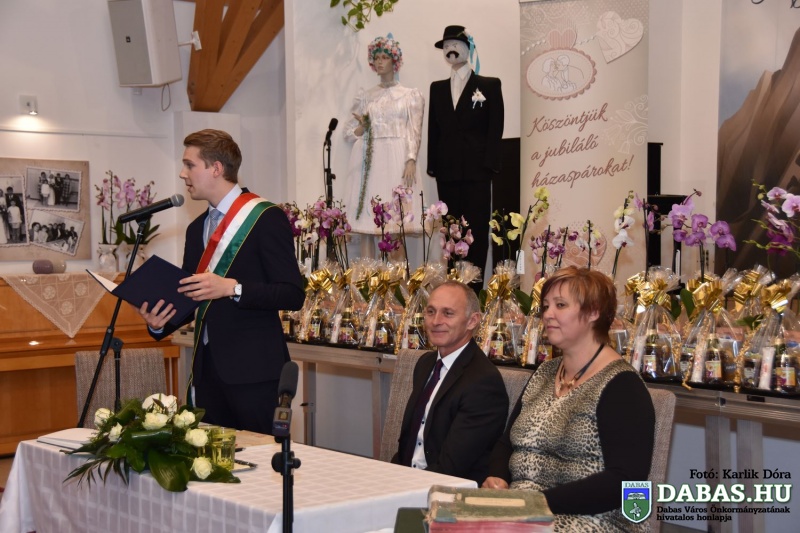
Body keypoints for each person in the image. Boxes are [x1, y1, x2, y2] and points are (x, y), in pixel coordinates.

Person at [139, 129, 305, 434]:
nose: (182, 173)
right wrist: (161, 322)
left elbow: (293, 294)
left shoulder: (265, 217)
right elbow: (192, 296)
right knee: (211, 459)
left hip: (254, 372)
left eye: (190, 165)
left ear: (216, 168)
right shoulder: (196, 229)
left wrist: (233, 288)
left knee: (260, 458)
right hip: (207, 372)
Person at [483, 267, 655, 531]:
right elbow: (507, 443)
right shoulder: (545, 372)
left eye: (560, 305)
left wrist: (535, 503)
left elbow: (625, 480)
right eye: (546, 306)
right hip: (523, 511)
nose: (547, 314)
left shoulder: (622, 385)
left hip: (593, 520)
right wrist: (497, 477)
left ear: (594, 311)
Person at [391, 280, 508, 485]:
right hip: (406, 479)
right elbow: (408, 442)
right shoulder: (425, 364)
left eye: (448, 313)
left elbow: (452, 467)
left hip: (446, 490)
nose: (436, 321)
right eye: (431, 311)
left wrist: (403, 486)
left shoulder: (483, 382)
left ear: (472, 321)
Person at [427, 25, 504, 289]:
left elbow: (495, 128)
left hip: (477, 171)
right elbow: (434, 129)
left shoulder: (489, 86)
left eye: (456, 45)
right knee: (450, 231)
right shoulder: (437, 89)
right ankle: (453, 288)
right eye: (446, 46)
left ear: (468, 48)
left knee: (477, 230)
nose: (451, 50)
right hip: (447, 172)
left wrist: (490, 165)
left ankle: (474, 290)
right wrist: (433, 166)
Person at [342, 34, 424, 254]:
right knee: (368, 221)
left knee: (395, 221)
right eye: (376, 57)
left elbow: (414, 130)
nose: (379, 62)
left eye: (384, 57)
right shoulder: (366, 96)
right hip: (370, 159)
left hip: (396, 157)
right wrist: (362, 127)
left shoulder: (409, 95)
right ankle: (366, 272)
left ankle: (396, 273)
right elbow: (349, 133)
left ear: (394, 60)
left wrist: (411, 159)